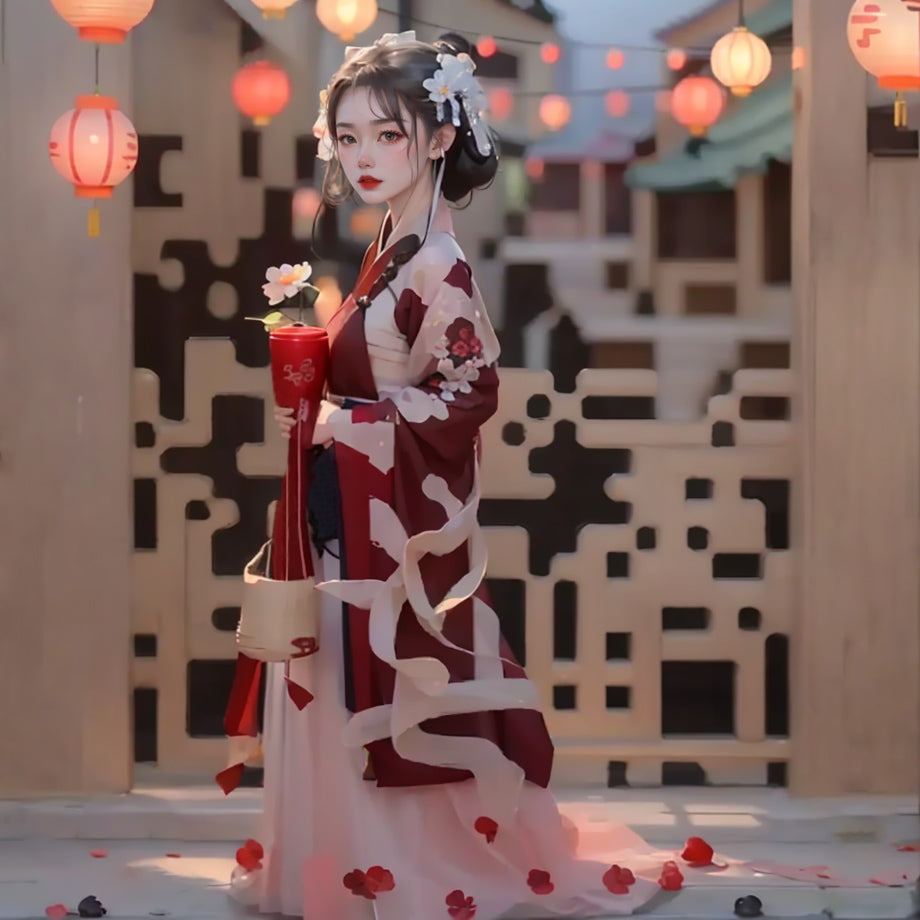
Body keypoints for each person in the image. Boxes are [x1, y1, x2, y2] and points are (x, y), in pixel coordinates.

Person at [233, 30, 666, 920]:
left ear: (437, 137)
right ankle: (347, 865)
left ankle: (399, 868)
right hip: (349, 508)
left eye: (386, 135)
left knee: (385, 686)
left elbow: (469, 393)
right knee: (343, 680)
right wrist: (316, 404)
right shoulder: (396, 242)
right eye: (347, 137)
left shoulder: (438, 262)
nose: (361, 157)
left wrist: (346, 420)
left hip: (383, 522)